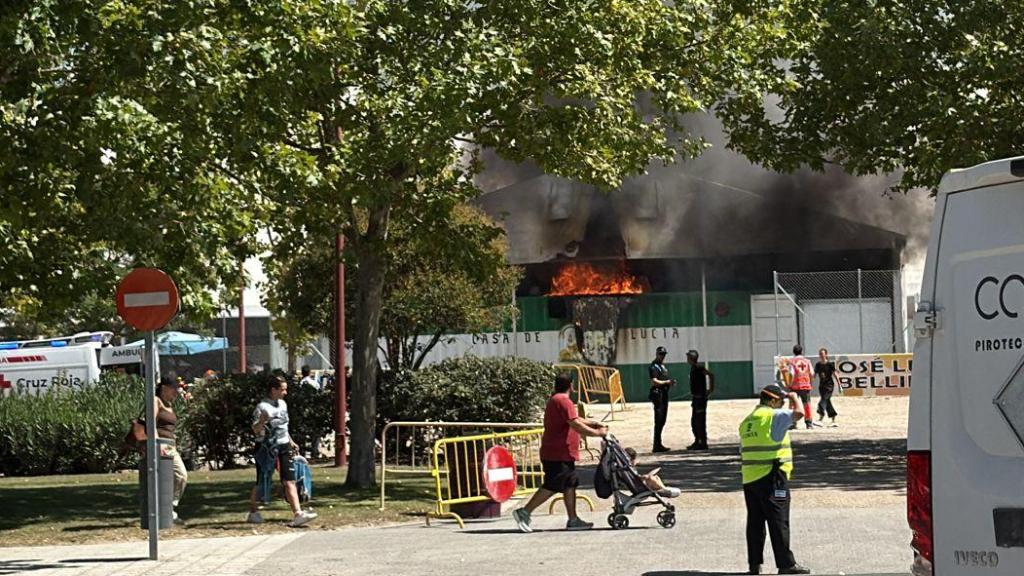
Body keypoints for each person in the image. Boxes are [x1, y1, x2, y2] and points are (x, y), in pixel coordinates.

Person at [512, 372, 608, 533]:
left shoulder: (557, 400)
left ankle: (573, 519)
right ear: (571, 385)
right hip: (557, 453)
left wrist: (593, 423)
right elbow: (575, 424)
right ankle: (525, 511)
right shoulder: (563, 401)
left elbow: (575, 419)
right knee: (553, 484)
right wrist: (598, 433)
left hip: (562, 453)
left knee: (570, 483)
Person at [740, 384, 811, 575]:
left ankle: (754, 565)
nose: (783, 405)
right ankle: (786, 564)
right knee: (778, 520)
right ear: (772, 401)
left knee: (755, 523)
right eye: (781, 401)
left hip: (750, 478)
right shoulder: (773, 416)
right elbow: (799, 413)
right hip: (772, 476)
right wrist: (794, 396)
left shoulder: (747, 421)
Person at [247, 376, 318, 528]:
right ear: (274, 390)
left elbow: (283, 427)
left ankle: (298, 514)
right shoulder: (262, 407)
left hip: (284, 446)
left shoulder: (283, 404)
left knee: (289, 480)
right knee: (262, 482)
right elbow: (255, 430)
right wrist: (262, 421)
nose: (286, 392)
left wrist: (290, 441)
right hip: (266, 448)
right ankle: (253, 511)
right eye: (283, 389)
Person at [155, 377, 188, 524]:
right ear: (164, 388)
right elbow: (150, 423)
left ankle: (167, 509)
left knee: (175, 478)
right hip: (161, 446)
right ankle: (167, 509)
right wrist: (158, 444)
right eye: (173, 389)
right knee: (180, 475)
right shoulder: (156, 401)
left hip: (171, 445)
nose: (176, 392)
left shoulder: (169, 405)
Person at [685, 349, 716, 450]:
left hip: (700, 399)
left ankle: (702, 442)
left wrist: (710, 389)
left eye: (688, 357)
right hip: (695, 398)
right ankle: (697, 440)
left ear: (691, 358)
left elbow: (711, 375)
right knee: (694, 421)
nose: (687, 359)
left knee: (700, 421)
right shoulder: (693, 368)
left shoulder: (699, 367)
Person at [649, 346, 675, 453]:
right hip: (658, 394)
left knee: (663, 419)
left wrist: (669, 383)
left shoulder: (662, 366)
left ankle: (659, 443)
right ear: (657, 354)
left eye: (664, 354)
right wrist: (666, 382)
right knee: (659, 419)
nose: (662, 356)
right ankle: (656, 444)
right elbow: (654, 381)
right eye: (661, 354)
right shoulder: (654, 366)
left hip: (664, 394)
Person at [786, 345, 815, 429]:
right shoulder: (807, 361)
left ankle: (793, 423)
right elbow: (812, 373)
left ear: (793, 352)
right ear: (802, 351)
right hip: (805, 386)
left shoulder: (792, 361)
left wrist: (789, 384)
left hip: (795, 386)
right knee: (807, 404)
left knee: (793, 404)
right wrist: (810, 383)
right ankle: (809, 423)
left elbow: (791, 373)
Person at [814, 348, 839, 426]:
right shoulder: (818, 365)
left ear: (826, 354)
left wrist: (839, 385)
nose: (821, 355)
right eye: (820, 354)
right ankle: (833, 418)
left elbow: (835, 375)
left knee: (823, 400)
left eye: (822, 354)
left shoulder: (830, 364)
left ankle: (821, 418)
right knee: (827, 401)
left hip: (829, 386)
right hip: (822, 386)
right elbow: (814, 375)